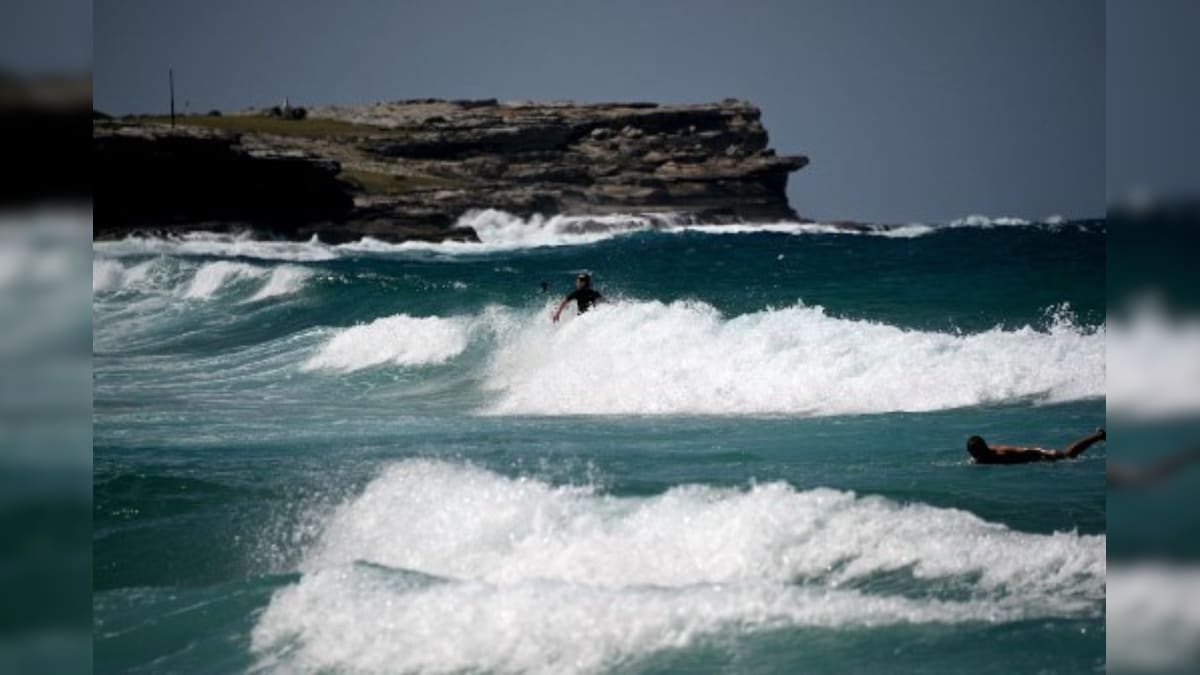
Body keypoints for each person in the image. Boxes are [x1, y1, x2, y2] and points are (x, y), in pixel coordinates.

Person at [966, 428, 1105, 465]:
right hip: (1035, 456)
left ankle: (1099, 435)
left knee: (1068, 455)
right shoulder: (986, 454)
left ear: (981, 450)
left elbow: (1023, 450)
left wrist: (1043, 453)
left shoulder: (1000, 454)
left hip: (1040, 454)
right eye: (971, 453)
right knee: (1068, 454)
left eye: (974, 453)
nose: (972, 456)